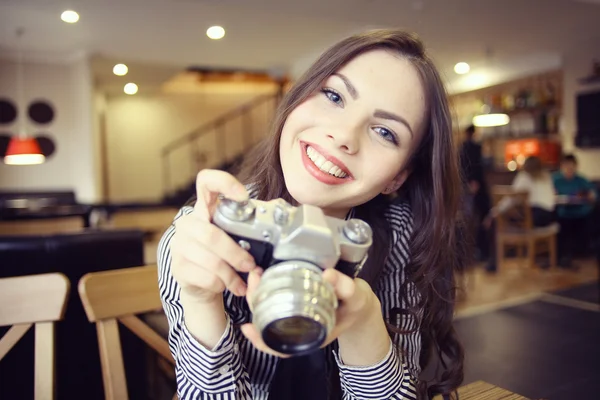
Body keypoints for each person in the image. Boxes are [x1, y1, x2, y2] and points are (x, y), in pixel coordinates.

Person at [158, 29, 467, 400]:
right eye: (334, 95)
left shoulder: (401, 233)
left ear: (398, 176)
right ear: (295, 101)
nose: (344, 135)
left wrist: (364, 320)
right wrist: (201, 303)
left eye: (384, 131)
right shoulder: (203, 233)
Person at [552, 154, 598, 267]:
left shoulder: (581, 179)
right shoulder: (554, 179)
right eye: (566, 167)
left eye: (572, 167)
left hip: (581, 211)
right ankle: (563, 255)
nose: (569, 170)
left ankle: (584, 251)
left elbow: (593, 192)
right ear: (561, 167)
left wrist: (592, 195)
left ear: (576, 167)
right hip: (563, 211)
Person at [485, 156, 556, 228]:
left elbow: (511, 198)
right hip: (550, 217)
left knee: (508, 213)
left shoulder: (524, 176)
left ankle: (512, 237)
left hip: (535, 217)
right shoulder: (546, 175)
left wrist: (494, 212)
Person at [459, 124, 491, 262]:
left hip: (469, 186)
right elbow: (476, 166)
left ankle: (472, 253)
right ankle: (480, 251)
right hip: (475, 186)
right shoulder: (474, 147)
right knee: (478, 218)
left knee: (468, 220)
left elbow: (464, 167)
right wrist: (474, 181)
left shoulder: (463, 147)